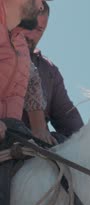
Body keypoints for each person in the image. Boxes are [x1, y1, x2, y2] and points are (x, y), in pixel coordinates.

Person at [21, 1, 84, 142]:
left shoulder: (49, 71)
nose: (30, 35)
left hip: (35, 154)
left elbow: (72, 126)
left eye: (38, 30)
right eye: (27, 25)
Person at [0, 0, 54, 144]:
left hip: (11, 135)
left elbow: (32, 81)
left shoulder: (20, 45)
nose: (40, 6)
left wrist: (39, 129)